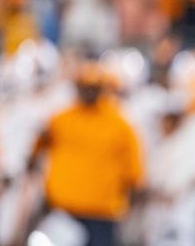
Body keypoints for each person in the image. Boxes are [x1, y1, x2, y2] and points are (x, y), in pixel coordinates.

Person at [28, 61, 144, 246]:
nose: (88, 92)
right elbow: (36, 150)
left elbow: (134, 173)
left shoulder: (120, 125)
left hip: (102, 214)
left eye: (93, 87)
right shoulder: (61, 119)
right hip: (64, 211)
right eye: (84, 87)